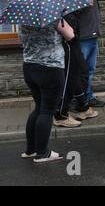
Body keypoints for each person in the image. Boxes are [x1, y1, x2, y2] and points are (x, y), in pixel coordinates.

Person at [21, 19, 74, 163]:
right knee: (47, 111)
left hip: (30, 67)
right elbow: (70, 35)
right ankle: (42, 153)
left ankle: (31, 150)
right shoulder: (52, 16)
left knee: (39, 108)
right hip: (50, 68)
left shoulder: (24, 18)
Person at [53, 0, 99, 128]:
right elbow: (67, 11)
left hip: (77, 35)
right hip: (73, 37)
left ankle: (83, 104)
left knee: (81, 71)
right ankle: (65, 112)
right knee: (76, 73)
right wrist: (85, 2)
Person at [77, 0, 105, 108]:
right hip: (83, 36)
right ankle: (80, 99)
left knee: (89, 70)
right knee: (81, 71)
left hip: (92, 34)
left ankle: (88, 96)